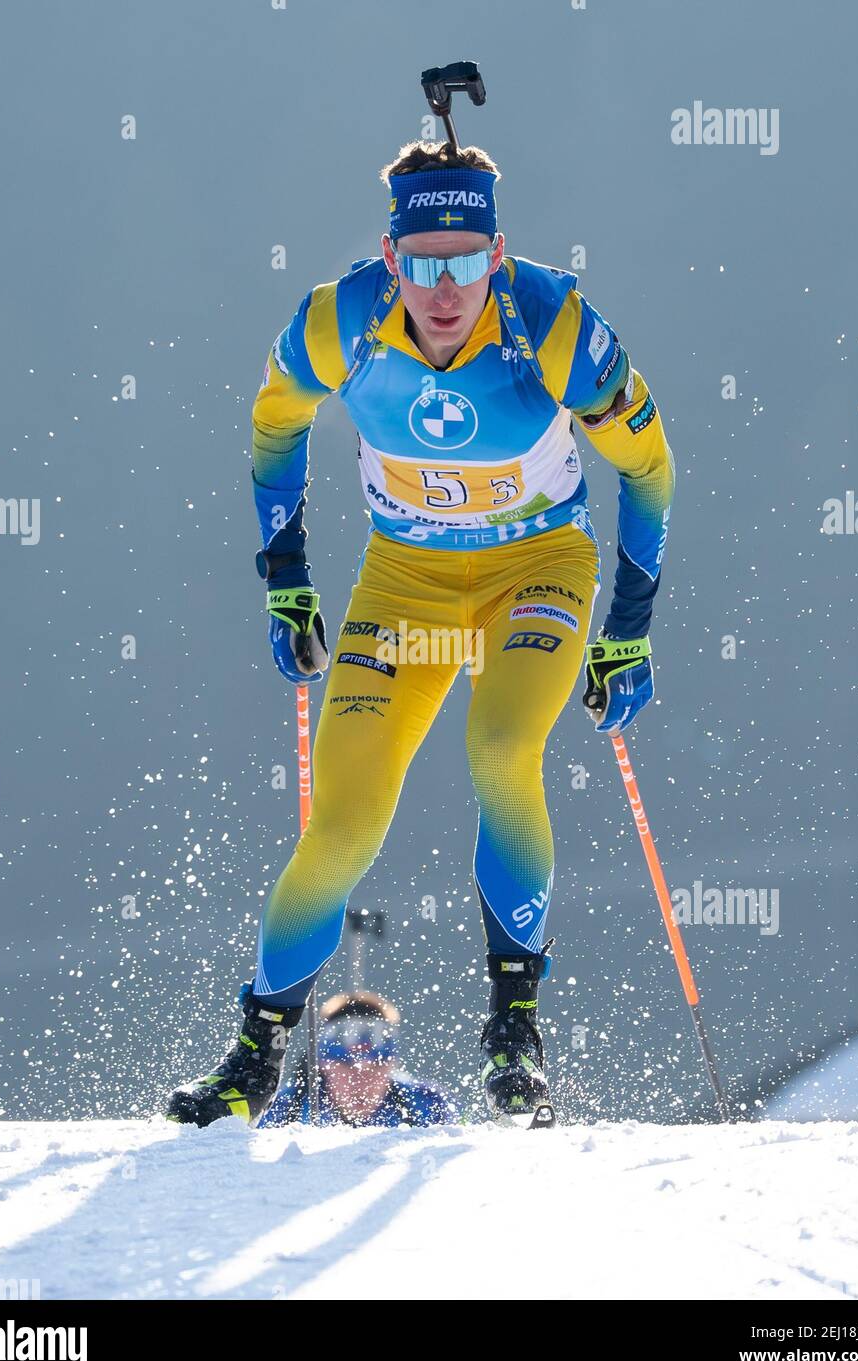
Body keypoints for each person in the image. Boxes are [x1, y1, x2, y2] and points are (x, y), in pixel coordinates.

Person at [166, 135, 674, 1130]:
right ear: (392, 259)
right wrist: (285, 578)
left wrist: (628, 630)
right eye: (425, 262)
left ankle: (514, 1035)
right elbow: (274, 427)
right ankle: (255, 1057)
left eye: (469, 259)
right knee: (344, 824)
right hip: (406, 583)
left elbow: (649, 468)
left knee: (500, 748)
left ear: (497, 251)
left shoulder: (556, 329)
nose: (447, 288)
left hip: (539, 571)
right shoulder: (337, 323)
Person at [259, 991, 458, 1127]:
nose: (360, 1081)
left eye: (373, 1068)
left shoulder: (427, 1104)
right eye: (346, 1067)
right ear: (323, 1065)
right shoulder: (284, 1108)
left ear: (391, 1065)